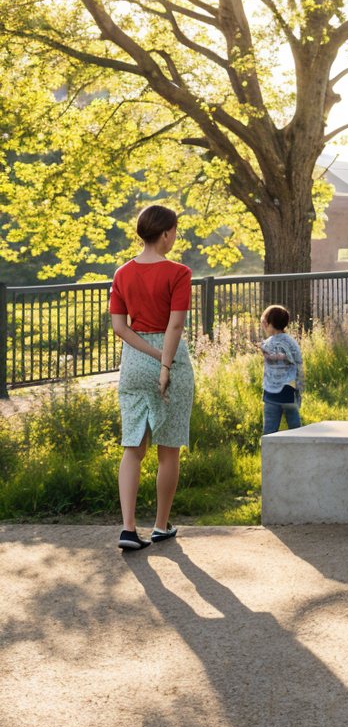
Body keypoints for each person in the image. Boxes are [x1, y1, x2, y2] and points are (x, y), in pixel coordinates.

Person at [110, 205, 193, 552]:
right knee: (168, 450)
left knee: (133, 446)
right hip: (170, 357)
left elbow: (119, 327)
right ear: (165, 233)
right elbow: (175, 325)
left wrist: (150, 355)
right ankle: (160, 526)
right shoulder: (179, 272)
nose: (175, 237)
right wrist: (165, 363)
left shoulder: (122, 273)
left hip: (134, 359)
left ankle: (128, 529)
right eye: (174, 231)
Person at [260, 304, 304, 435]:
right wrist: (299, 389)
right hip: (289, 392)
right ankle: (299, 450)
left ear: (268, 323)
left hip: (272, 393)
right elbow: (299, 366)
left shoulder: (268, 343)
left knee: (270, 430)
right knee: (295, 427)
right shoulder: (293, 343)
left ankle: (269, 455)